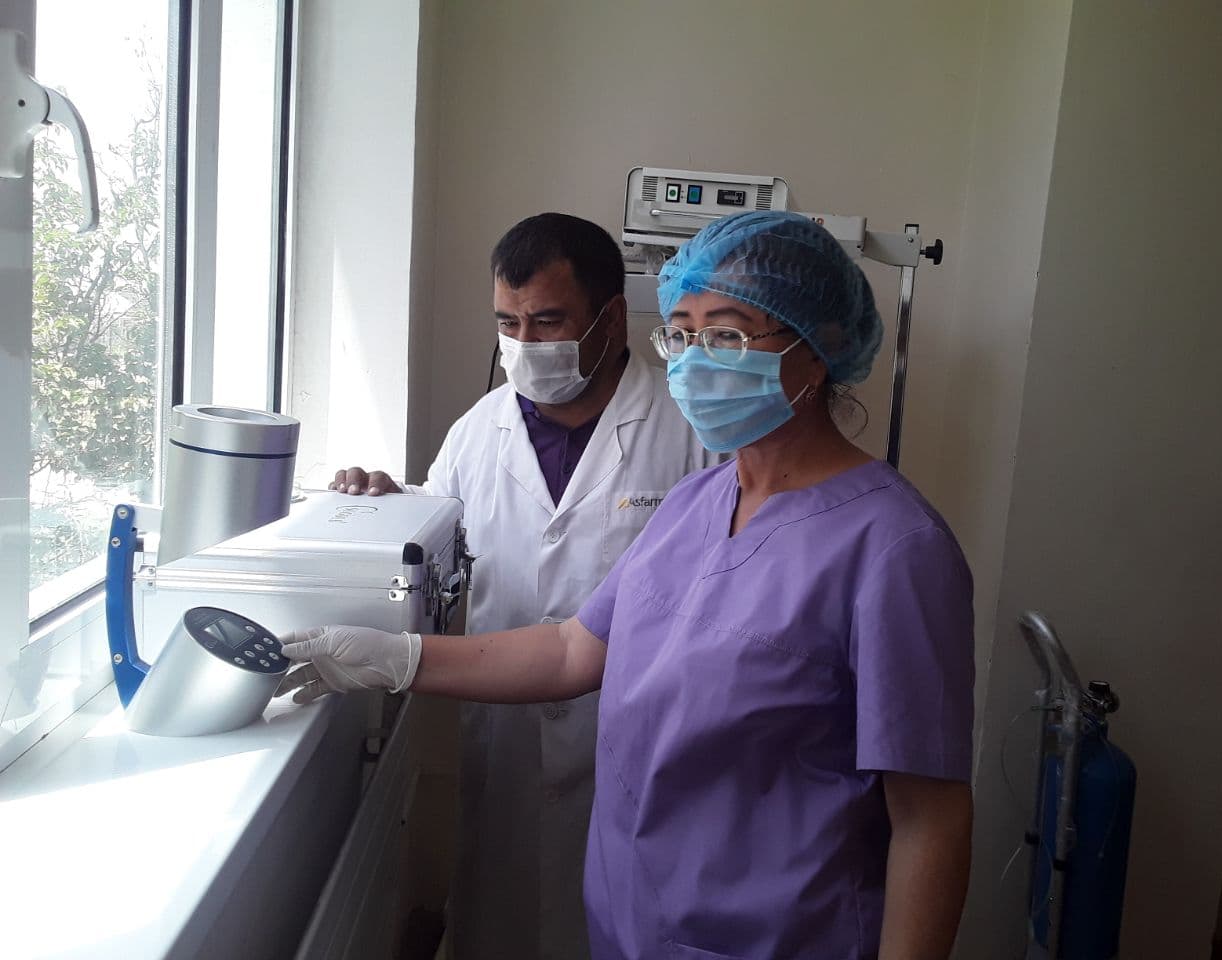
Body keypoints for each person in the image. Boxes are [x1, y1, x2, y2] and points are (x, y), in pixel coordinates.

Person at [288, 210, 975, 959]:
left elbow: (929, 820)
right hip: (632, 922)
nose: (696, 361)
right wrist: (393, 657)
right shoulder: (695, 503)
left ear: (819, 348)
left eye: (728, 335)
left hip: (779, 935)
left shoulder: (896, 547)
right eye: (680, 333)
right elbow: (569, 651)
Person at [327, 213, 715, 960]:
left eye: (548, 321)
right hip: (504, 744)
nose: (525, 344)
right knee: (500, 922)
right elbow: (436, 544)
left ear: (611, 317)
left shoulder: (692, 431)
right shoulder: (478, 431)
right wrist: (388, 507)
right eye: (508, 323)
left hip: (639, 750)